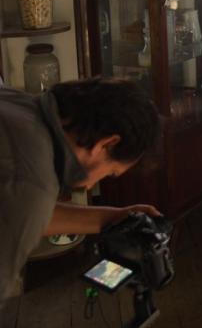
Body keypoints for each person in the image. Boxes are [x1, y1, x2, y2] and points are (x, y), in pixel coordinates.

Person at [0, 77, 162, 304]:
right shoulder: (33, 186)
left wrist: (114, 217)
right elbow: (27, 206)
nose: (89, 186)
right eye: (110, 172)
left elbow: (18, 213)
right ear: (107, 144)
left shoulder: (14, 101)